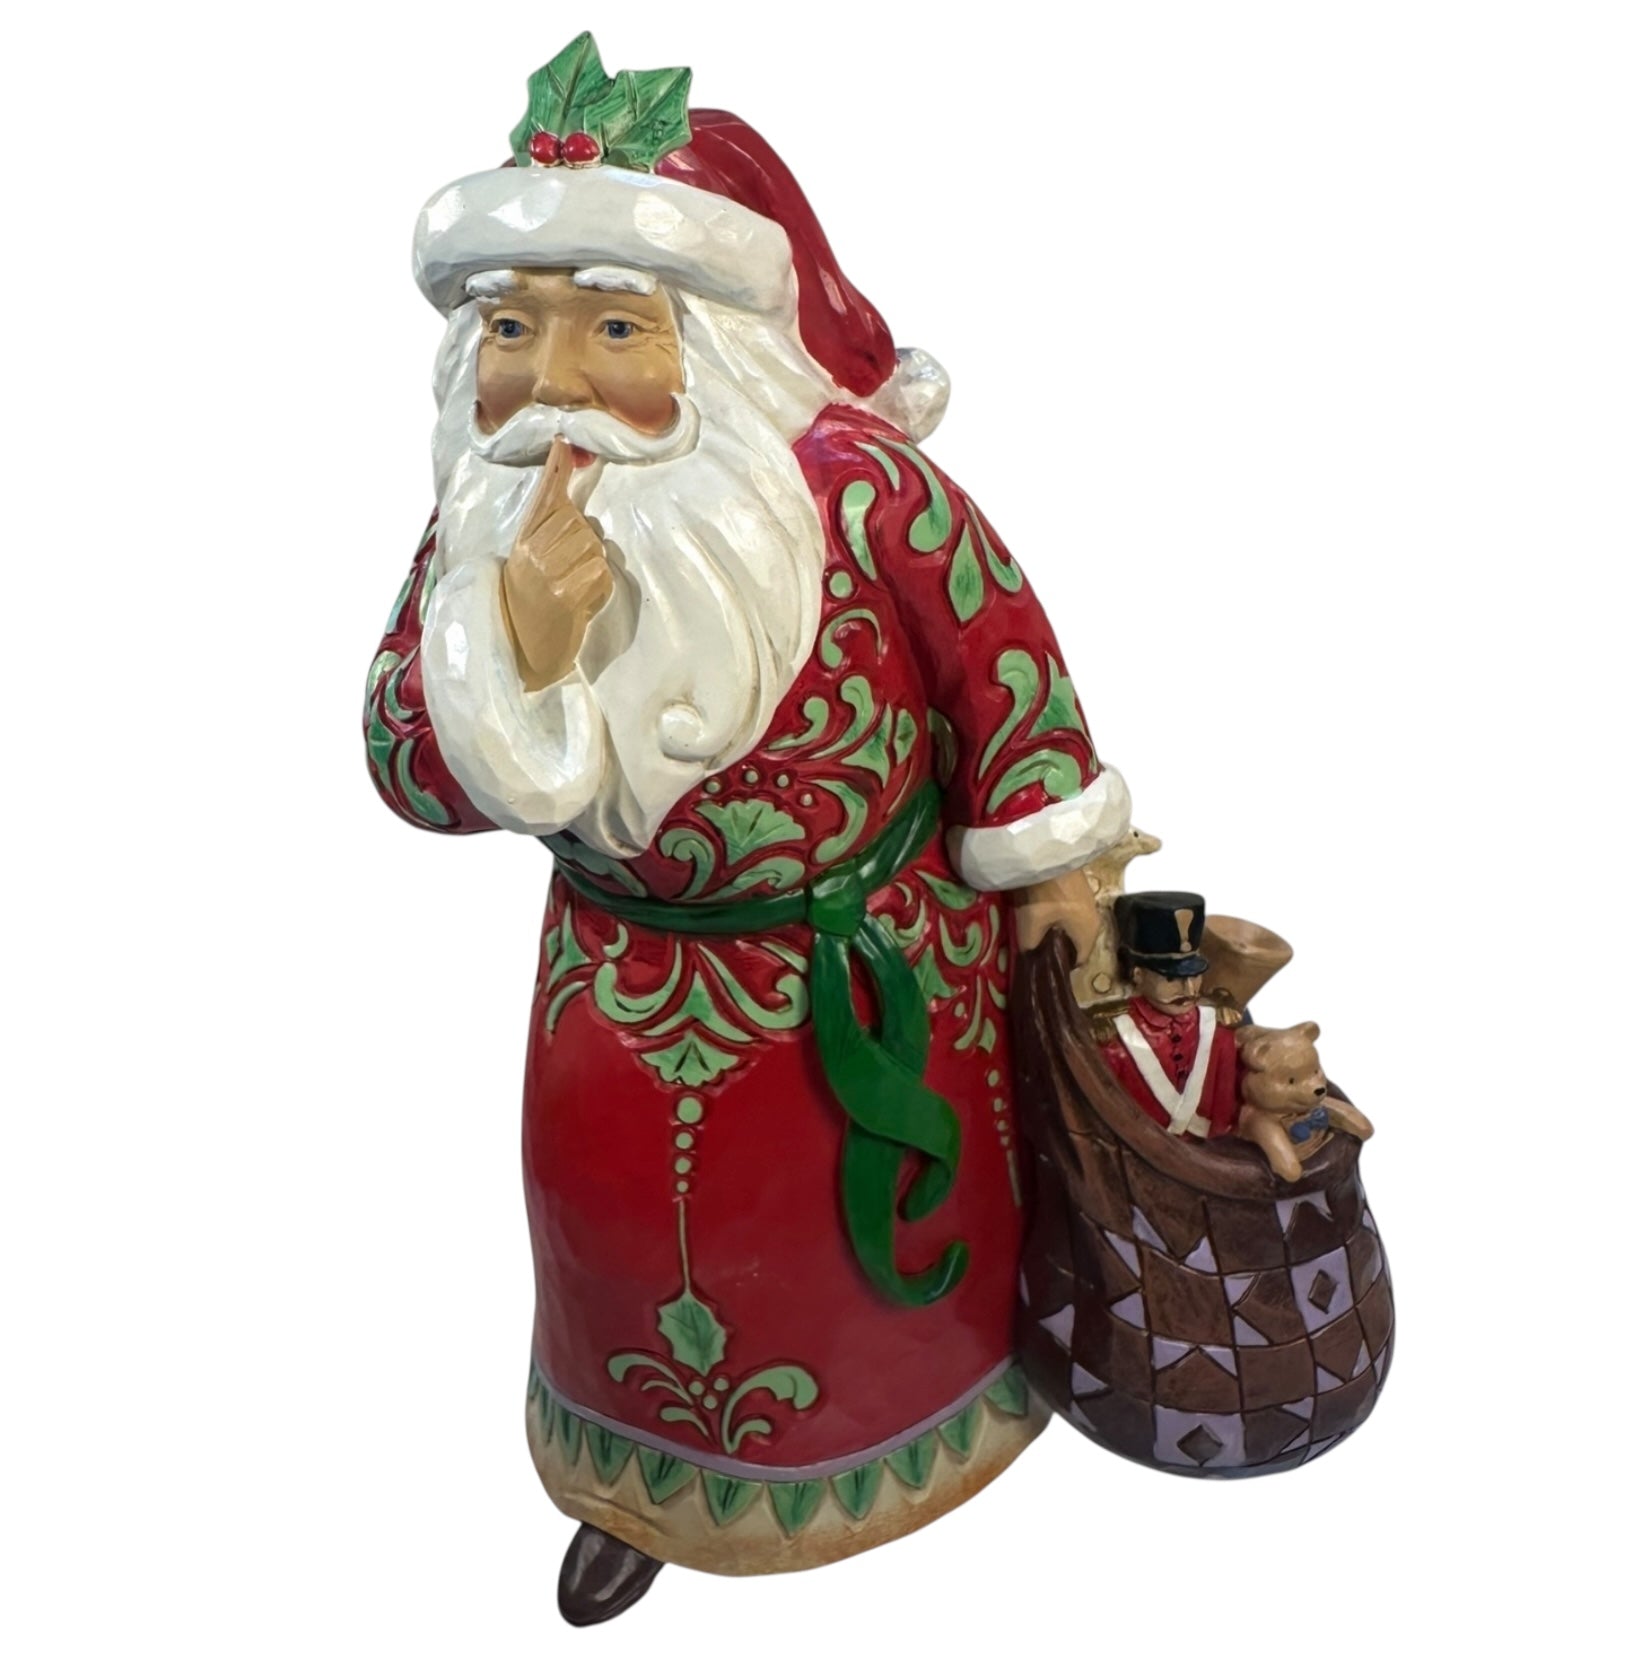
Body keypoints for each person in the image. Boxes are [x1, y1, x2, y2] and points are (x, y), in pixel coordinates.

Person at [364, 34, 1131, 1625]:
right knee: (626, 1253)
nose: (553, 380)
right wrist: (511, 653)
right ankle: (649, 1483)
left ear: (710, 341)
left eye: (612, 327)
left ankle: (945, 1423)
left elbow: (1005, 669)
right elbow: (406, 768)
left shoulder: (862, 491)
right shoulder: (483, 527)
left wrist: (1059, 869)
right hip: (618, 1004)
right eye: (511, 327)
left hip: (880, 981)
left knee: (892, 1248)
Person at [1096, 892, 1243, 1139]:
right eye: (1171, 978)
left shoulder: (1217, 1031)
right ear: (1138, 975)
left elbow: (1223, 1112)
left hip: (1205, 1151)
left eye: (1195, 976)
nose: (1189, 990)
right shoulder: (1113, 1037)